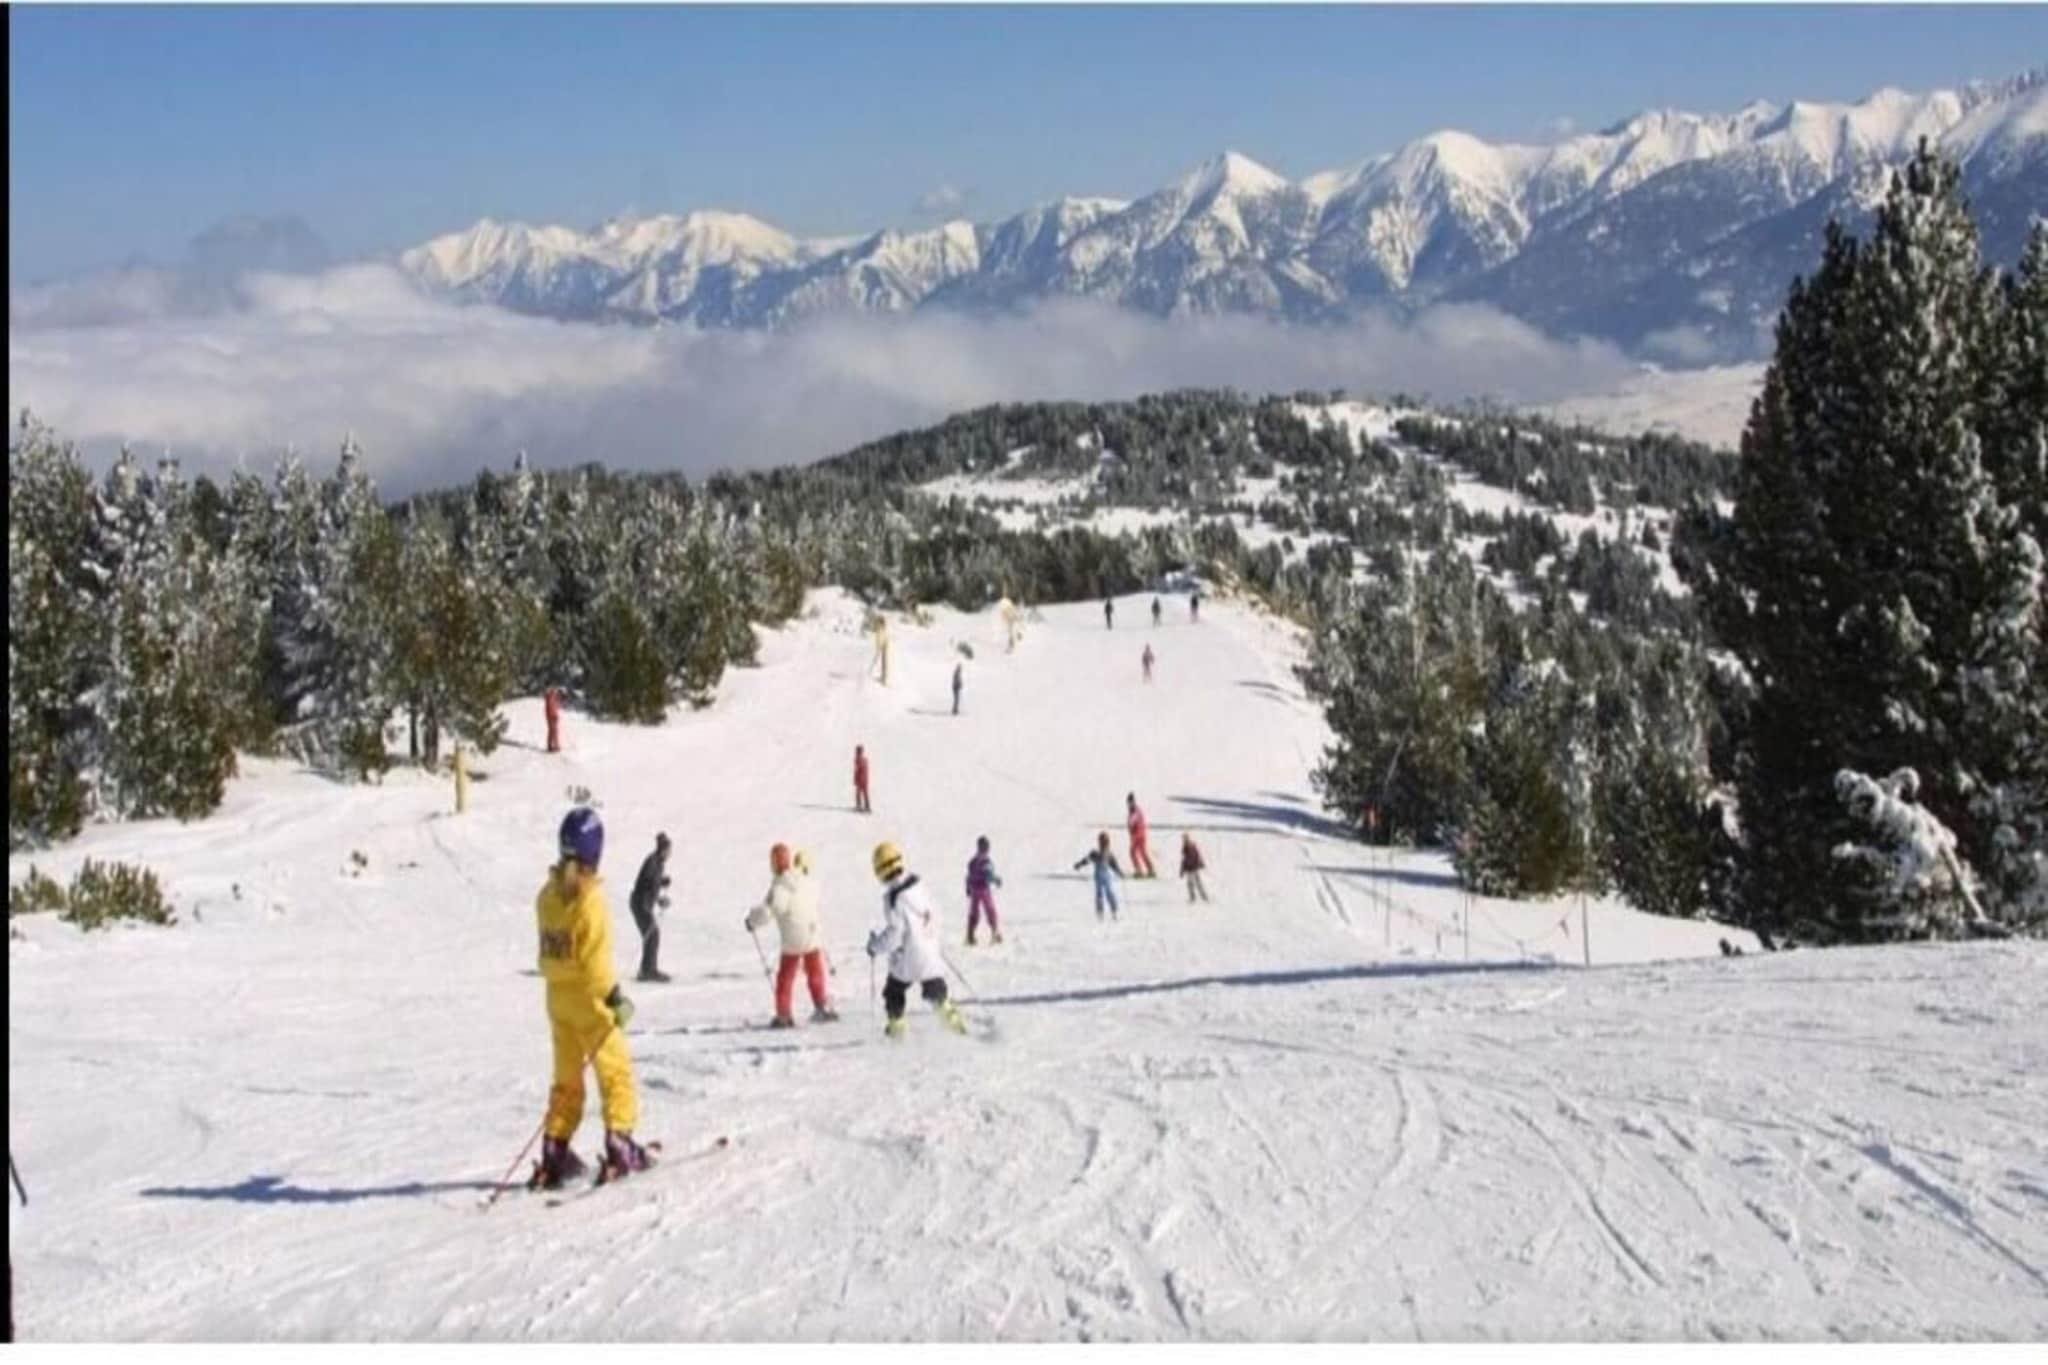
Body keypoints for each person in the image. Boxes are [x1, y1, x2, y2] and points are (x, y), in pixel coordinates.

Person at [532, 807, 653, 1189]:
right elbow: (597, 966)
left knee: (566, 1079)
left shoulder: (547, 896)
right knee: (615, 1071)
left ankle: (555, 1147)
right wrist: (616, 1000)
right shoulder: (591, 901)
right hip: (590, 1001)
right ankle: (620, 1141)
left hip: (557, 1000)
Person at [867, 842, 967, 1038]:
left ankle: (897, 1027)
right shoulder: (918, 886)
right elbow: (934, 913)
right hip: (929, 950)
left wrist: (875, 946)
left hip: (908, 957)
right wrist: (931, 937)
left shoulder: (893, 898)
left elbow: (895, 935)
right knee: (934, 987)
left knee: (893, 991)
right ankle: (952, 1020)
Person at [745, 843, 836, 1027]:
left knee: (785, 977)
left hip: (793, 939)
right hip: (812, 933)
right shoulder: (804, 879)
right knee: (814, 971)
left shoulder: (780, 887)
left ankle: (784, 1016)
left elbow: (768, 912)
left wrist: (751, 921)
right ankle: (822, 1006)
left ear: (774, 863)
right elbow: (814, 895)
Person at [628, 832, 673, 983]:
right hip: (640, 904)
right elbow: (647, 882)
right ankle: (648, 970)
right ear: (663, 850)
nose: (670, 853)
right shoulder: (652, 862)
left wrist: (660, 890)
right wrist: (659, 883)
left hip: (643, 903)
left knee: (651, 935)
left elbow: (651, 885)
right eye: (668, 850)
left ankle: (647, 969)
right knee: (652, 934)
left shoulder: (658, 863)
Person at [1074, 833, 1125, 921]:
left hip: (1106, 876)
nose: (1104, 844)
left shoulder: (1109, 854)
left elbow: (1114, 865)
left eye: (1106, 842)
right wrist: (1079, 864)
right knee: (1099, 893)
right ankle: (1100, 912)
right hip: (1098, 876)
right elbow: (1087, 860)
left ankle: (1114, 911)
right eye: (1103, 842)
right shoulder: (1095, 853)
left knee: (1109, 892)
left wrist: (1119, 872)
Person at [964, 836, 1004, 946]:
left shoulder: (973, 861)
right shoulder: (986, 861)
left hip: (974, 889)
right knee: (990, 910)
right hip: (983, 889)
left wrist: (968, 887)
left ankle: (970, 935)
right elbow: (988, 875)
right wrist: (996, 880)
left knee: (974, 911)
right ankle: (995, 932)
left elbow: (968, 876)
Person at [1126, 793, 1157, 878]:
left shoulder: (1135, 811)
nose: (1129, 804)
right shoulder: (1134, 810)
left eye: (1130, 802)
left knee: (1133, 852)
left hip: (1138, 835)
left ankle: (1140, 870)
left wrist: (1132, 830)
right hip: (1140, 834)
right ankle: (1150, 869)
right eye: (1128, 802)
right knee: (1141, 852)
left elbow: (1132, 822)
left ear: (1133, 801)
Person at [1180, 834, 1210, 904]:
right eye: (1183, 839)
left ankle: (1194, 898)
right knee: (1197, 882)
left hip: (1191, 868)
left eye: (1184, 839)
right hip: (1194, 867)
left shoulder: (1187, 847)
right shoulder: (1191, 846)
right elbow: (1197, 855)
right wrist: (1201, 863)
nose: (1183, 840)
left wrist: (1182, 870)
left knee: (1191, 883)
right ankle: (1203, 896)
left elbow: (1186, 859)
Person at [544, 686, 563, 753]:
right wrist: (554, 715)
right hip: (551, 716)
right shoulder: (551, 697)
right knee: (553, 731)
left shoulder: (554, 697)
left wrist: (556, 714)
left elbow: (556, 707)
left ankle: (553, 745)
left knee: (554, 731)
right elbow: (551, 707)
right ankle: (553, 746)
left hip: (553, 715)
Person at [853, 744, 872, 813]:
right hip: (865, 779)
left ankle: (859, 806)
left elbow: (857, 770)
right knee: (865, 793)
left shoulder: (858, 759)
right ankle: (867, 806)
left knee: (858, 793)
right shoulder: (865, 760)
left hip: (860, 779)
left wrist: (856, 779)